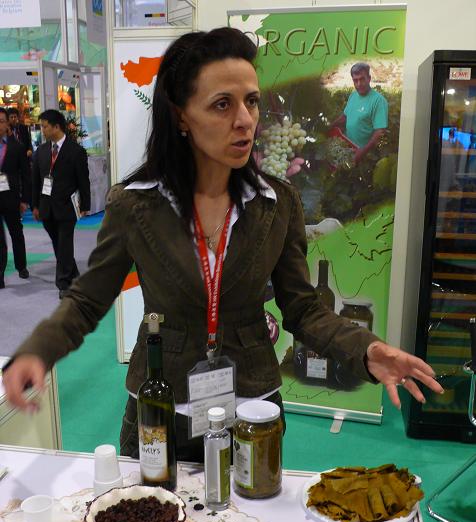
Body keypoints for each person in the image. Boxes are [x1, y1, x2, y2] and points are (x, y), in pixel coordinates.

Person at [2, 28, 443, 462]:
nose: (245, 119)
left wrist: (365, 348)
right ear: (180, 116)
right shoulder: (135, 205)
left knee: (251, 510)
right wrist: (39, 349)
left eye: (251, 101)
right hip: (161, 405)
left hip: (251, 409)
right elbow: (88, 299)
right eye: (222, 104)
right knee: (152, 510)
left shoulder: (277, 203)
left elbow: (302, 307)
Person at [31, 109, 90, 299]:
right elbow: (35, 181)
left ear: (56, 127)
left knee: (64, 243)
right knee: (58, 244)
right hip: (46, 206)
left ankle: (63, 283)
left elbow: (83, 180)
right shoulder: (41, 151)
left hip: (67, 207)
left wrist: (85, 205)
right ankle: (73, 272)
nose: (42, 130)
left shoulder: (76, 151)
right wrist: (35, 205)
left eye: (44, 126)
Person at [330, 62, 388, 163]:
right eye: (355, 80)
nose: (359, 84)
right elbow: (345, 117)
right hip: (348, 148)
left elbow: (379, 132)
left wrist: (362, 152)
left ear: (369, 78)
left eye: (362, 79)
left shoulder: (378, 101)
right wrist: (330, 126)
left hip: (364, 154)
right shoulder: (353, 96)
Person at [0, 107, 31, 289]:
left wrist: (25, 200)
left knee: (16, 234)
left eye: (1, 121)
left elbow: (26, 176)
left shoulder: (17, 147)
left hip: (11, 198)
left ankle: (21, 266)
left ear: (7, 124)